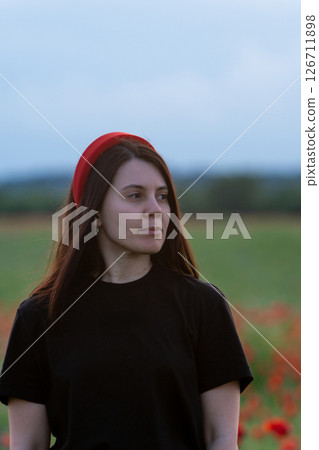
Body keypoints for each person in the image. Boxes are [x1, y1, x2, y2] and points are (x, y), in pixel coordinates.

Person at [0, 132, 253, 450]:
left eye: (162, 196)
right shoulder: (39, 315)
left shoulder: (203, 306)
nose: (156, 210)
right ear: (92, 209)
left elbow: (221, 438)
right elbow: (28, 445)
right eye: (135, 196)